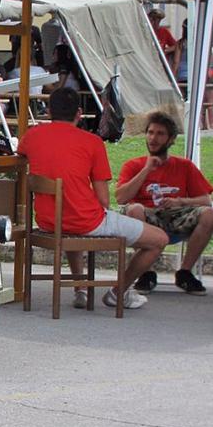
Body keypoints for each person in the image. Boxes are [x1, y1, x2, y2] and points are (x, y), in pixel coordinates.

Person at [17, 87, 168, 310]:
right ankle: (118, 292)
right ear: (79, 113)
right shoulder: (92, 142)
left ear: (48, 111)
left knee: (71, 215)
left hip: (48, 221)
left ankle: (81, 289)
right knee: (159, 239)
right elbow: (104, 200)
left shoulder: (32, 136)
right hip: (85, 221)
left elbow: (21, 154)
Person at [116, 111, 212, 295]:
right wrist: (146, 170)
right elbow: (121, 198)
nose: (153, 138)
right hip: (145, 216)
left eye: (160, 134)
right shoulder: (133, 165)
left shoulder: (184, 166)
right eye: (150, 132)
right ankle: (146, 272)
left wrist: (180, 201)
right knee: (134, 209)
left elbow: (206, 200)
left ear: (171, 139)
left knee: (209, 214)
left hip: (175, 215)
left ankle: (185, 272)